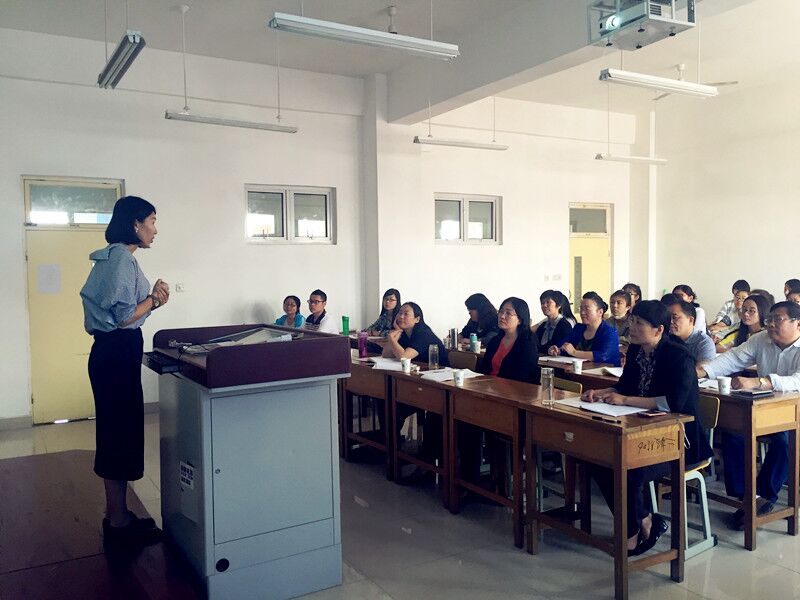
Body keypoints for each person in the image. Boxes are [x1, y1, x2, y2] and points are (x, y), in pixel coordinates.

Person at [581, 300, 713, 554]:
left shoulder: (679, 356)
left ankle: (630, 533)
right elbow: (625, 386)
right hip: (643, 429)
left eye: (639, 323)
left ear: (659, 329)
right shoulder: (636, 350)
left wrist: (625, 400)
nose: (632, 327)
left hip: (680, 439)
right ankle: (644, 520)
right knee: (598, 460)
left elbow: (672, 402)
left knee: (629, 470)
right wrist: (602, 392)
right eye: (632, 321)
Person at [80, 196, 168, 551]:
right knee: (119, 435)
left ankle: (118, 515)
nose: (155, 230)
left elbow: (122, 310)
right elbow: (122, 317)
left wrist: (150, 300)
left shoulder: (111, 256)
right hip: (117, 353)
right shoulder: (121, 258)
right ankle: (118, 524)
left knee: (116, 434)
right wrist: (155, 300)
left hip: (110, 354)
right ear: (135, 224)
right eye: (152, 221)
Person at [698, 301, 800, 528]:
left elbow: (798, 381)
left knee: (784, 440)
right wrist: (702, 371)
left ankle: (765, 495)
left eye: (778, 320)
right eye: (770, 319)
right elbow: (733, 358)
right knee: (734, 431)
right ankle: (746, 495)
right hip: (767, 411)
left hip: (796, 415)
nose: (771, 324)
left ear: (798, 324)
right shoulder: (761, 339)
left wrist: (762, 381)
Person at [548, 291, 620, 366]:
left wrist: (574, 352)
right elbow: (564, 345)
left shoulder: (610, 332)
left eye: (587, 309)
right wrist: (557, 350)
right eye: (581, 309)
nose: (582, 313)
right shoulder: (578, 328)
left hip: (603, 372)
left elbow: (602, 356)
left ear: (600, 312)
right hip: (579, 370)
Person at [479, 297, 540, 383]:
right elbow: (484, 369)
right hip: (489, 386)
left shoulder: (528, 344)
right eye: (501, 311)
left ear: (519, 320)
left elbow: (523, 376)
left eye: (508, 313)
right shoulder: (495, 341)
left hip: (513, 388)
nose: (502, 316)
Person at [384, 302, 449, 366]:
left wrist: (392, 339)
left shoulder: (424, 334)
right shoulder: (403, 332)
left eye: (406, 314)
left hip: (439, 370)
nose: (401, 316)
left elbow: (404, 358)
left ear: (417, 319)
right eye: (400, 313)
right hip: (420, 369)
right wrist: (396, 333)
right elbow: (386, 355)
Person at [664, 299, 716, 365]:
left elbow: (704, 370)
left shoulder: (704, 343)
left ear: (691, 320)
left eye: (675, 317)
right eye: (669, 318)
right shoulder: (667, 339)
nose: (670, 322)